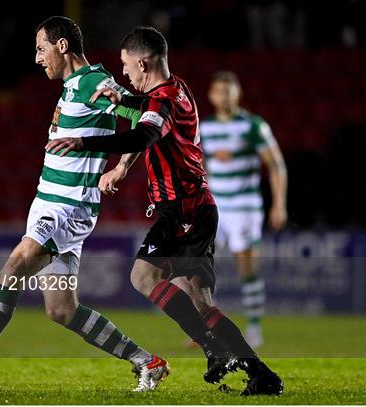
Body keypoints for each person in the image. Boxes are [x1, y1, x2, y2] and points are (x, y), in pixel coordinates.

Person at [46, 26, 283, 396]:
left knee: (143, 277)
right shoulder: (177, 89)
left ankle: (213, 349)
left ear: (143, 62)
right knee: (201, 301)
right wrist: (123, 161)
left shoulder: (165, 98)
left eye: (126, 66)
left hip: (184, 208)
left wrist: (82, 141)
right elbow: (146, 116)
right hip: (199, 207)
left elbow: (144, 134)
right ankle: (263, 375)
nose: (124, 74)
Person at [0, 16, 169, 393]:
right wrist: (120, 165)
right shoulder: (72, 86)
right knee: (62, 310)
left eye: (40, 48)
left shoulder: (94, 83)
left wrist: (121, 164)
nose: (37, 58)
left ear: (62, 46)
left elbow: (146, 118)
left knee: (14, 267)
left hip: (67, 209)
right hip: (48, 203)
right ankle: (146, 361)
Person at [200, 71, 288, 348]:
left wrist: (279, 203)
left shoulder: (253, 126)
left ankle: (253, 328)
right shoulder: (206, 128)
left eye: (229, 91)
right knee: (200, 266)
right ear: (211, 96)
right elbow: (198, 166)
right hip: (215, 206)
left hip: (244, 206)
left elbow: (276, 165)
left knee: (246, 265)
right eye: (219, 92)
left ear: (238, 94)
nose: (224, 97)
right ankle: (205, 327)